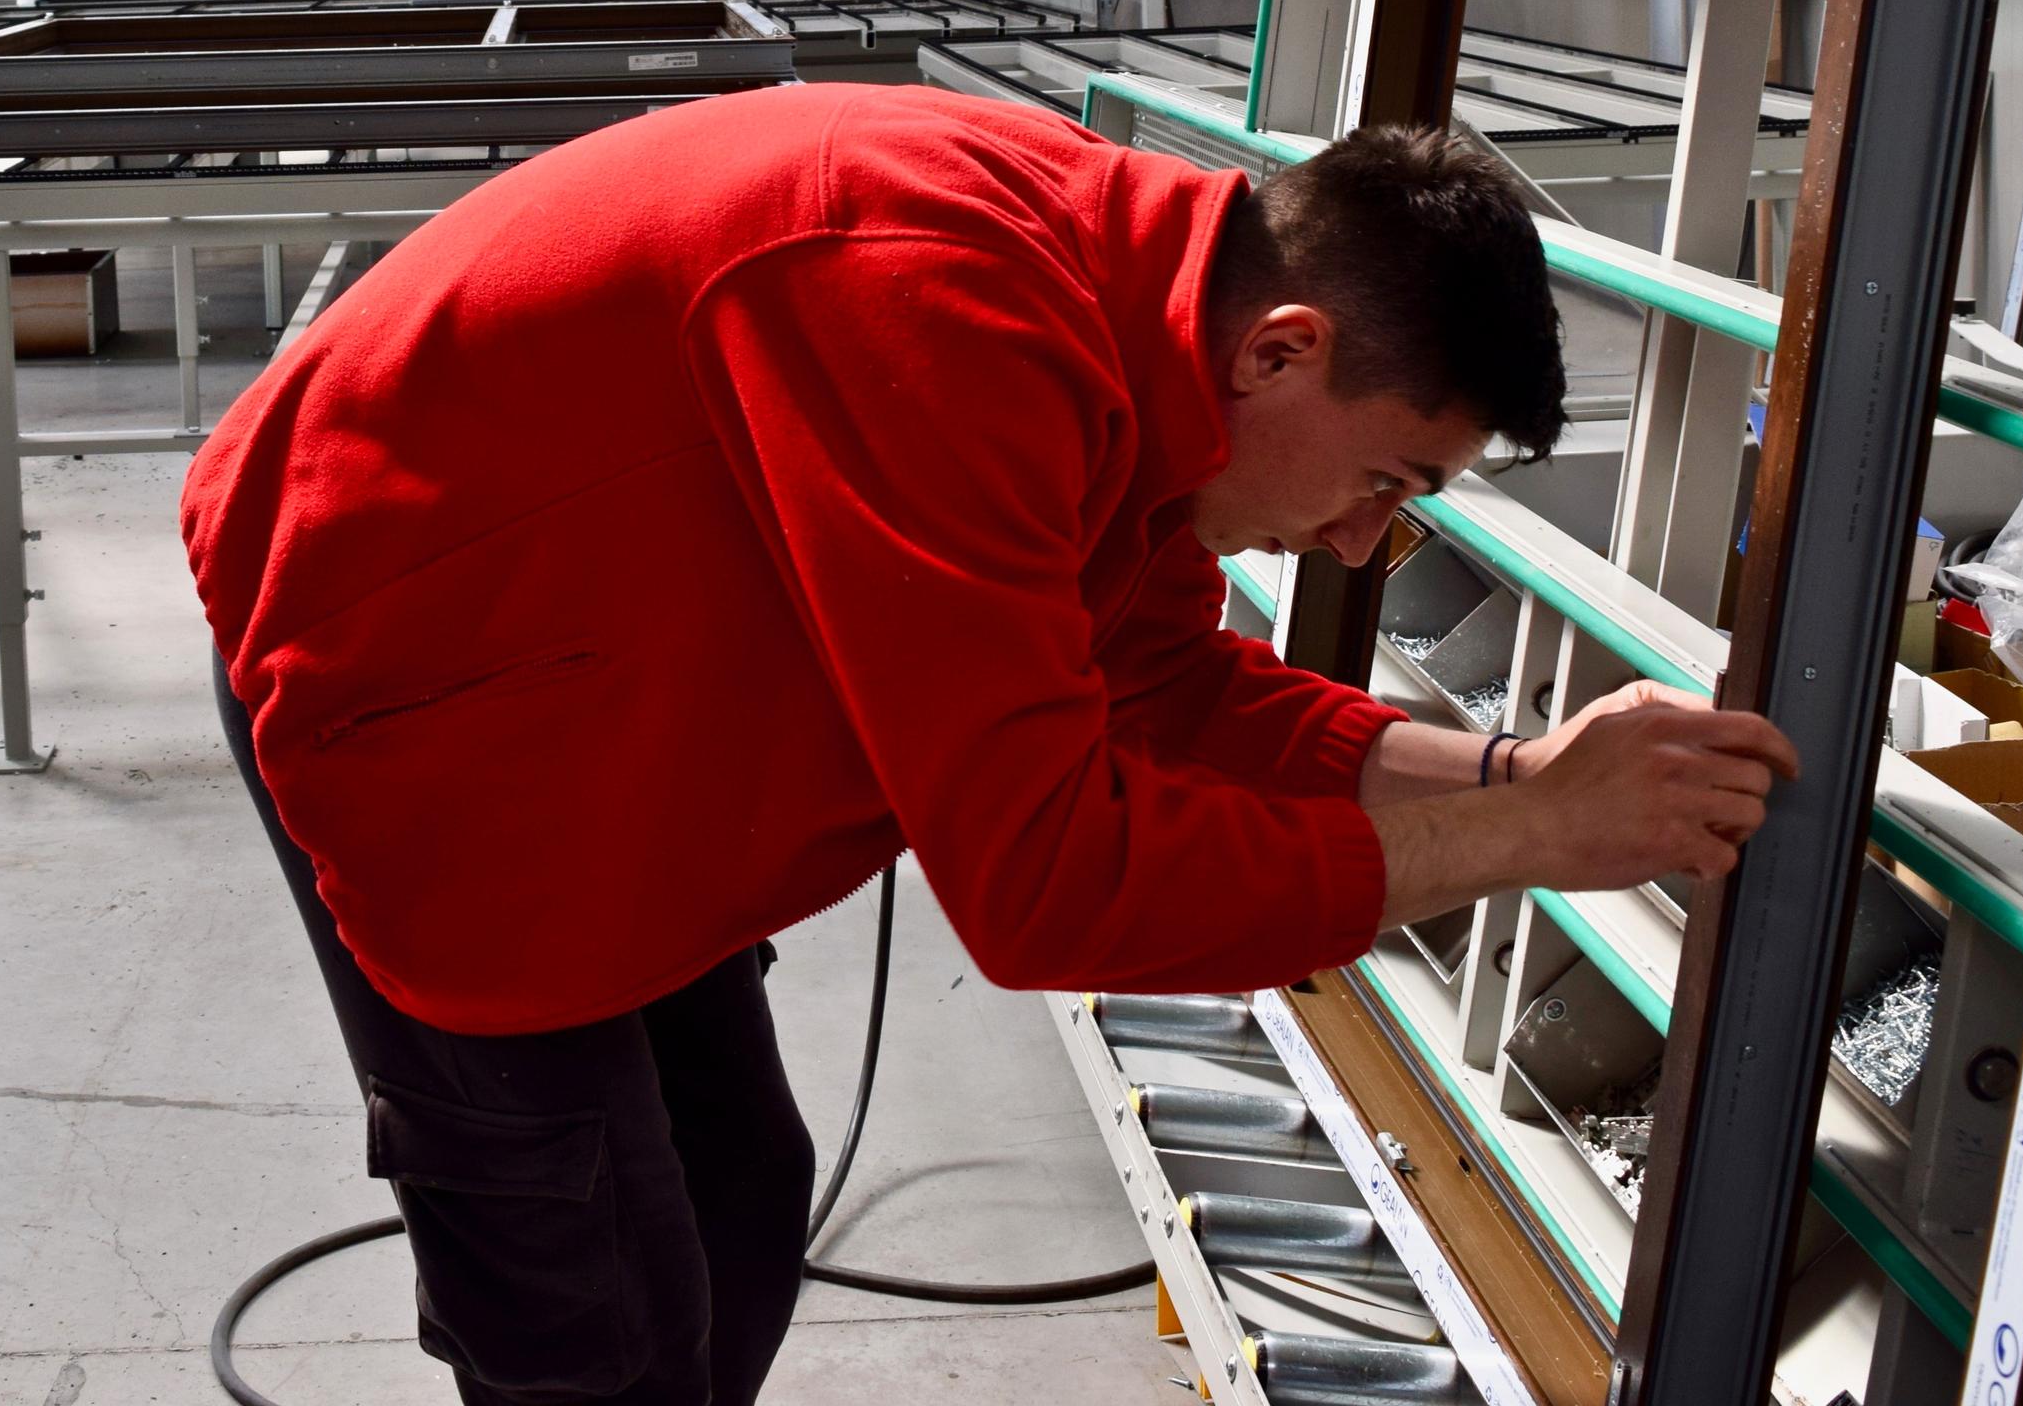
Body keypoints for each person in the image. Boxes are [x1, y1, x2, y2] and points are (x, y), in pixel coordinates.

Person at [183, 87, 1797, 1406]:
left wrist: (1520, 780)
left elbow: (1157, 685)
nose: (1363, 541)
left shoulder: (1121, 309)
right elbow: (1051, 891)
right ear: (1284, 349)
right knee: (582, 1276)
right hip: (425, 683)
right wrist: (1525, 847)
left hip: (616, 653)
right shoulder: (938, 306)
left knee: (739, 1197)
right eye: (1388, 480)